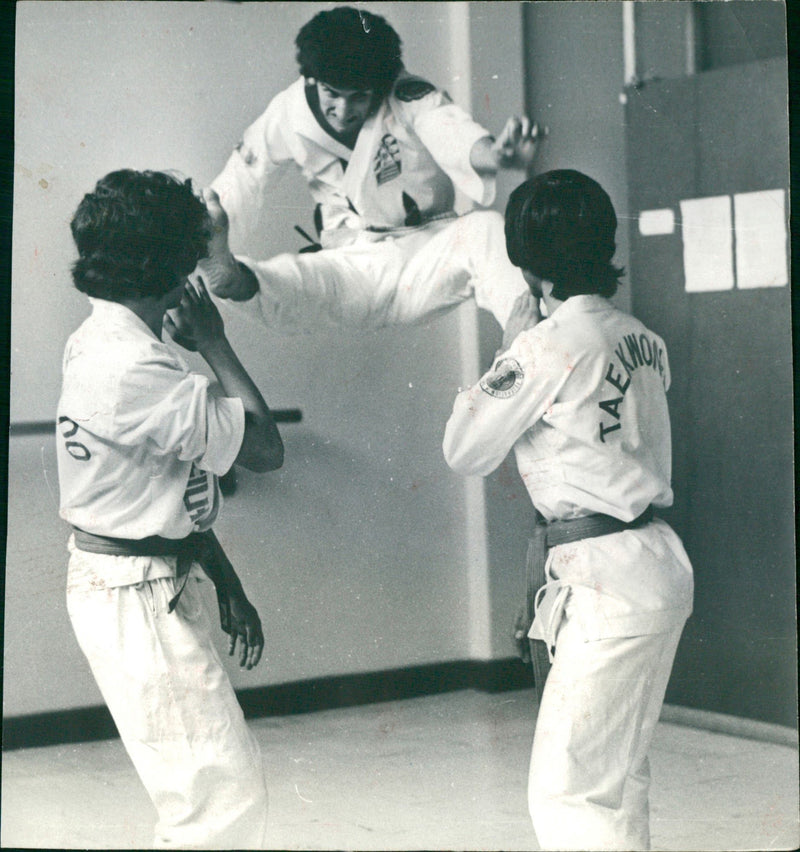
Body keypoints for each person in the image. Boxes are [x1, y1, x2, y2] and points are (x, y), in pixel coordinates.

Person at [442, 170, 694, 851]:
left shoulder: (544, 346)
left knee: (569, 787)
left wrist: (512, 342)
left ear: (527, 264)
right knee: (616, 772)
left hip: (606, 574)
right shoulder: (641, 336)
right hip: (650, 559)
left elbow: (463, 447)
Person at [57, 169, 284, 849]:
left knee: (211, 794)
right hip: (132, 595)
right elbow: (267, 447)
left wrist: (228, 583)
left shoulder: (102, 341)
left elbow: (159, 493)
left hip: (143, 580)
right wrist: (213, 340)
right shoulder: (138, 370)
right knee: (218, 802)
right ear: (174, 266)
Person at [201, 5, 542, 331]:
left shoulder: (406, 94)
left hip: (426, 256)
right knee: (301, 278)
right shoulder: (288, 112)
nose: (343, 109)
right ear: (311, 80)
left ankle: (535, 346)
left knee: (486, 230)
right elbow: (242, 177)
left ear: (379, 87)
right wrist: (201, 235)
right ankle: (234, 278)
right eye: (331, 93)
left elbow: (449, 130)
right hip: (353, 263)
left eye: (359, 96)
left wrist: (496, 156)